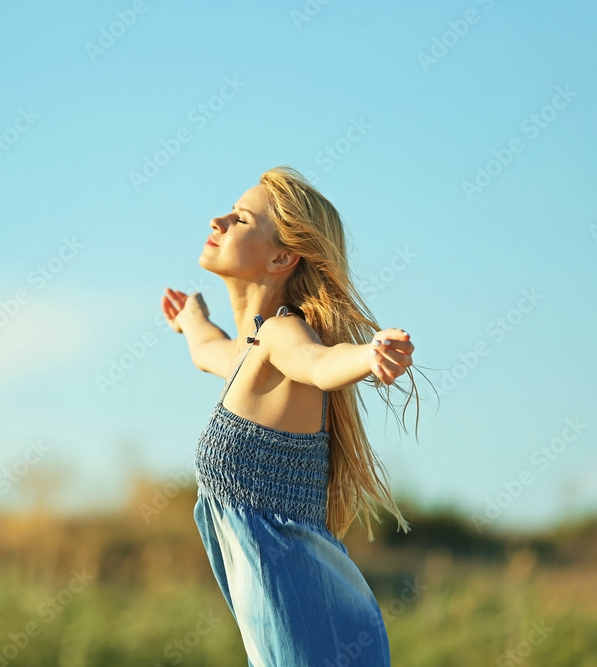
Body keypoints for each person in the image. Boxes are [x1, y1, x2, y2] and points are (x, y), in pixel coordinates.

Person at [161, 166, 425, 666]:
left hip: (312, 627)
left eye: (238, 219)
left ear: (283, 256)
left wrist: (369, 356)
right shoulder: (250, 351)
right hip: (292, 625)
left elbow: (319, 363)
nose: (217, 220)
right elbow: (209, 349)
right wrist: (190, 319)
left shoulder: (283, 336)